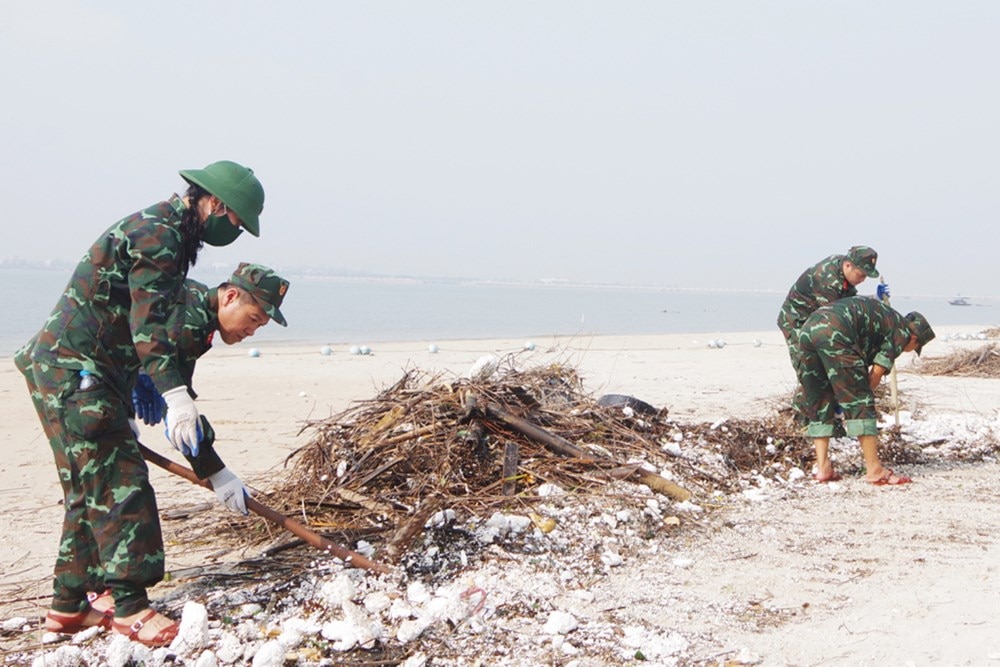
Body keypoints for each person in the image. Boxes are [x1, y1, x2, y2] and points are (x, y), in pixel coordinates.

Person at [13, 161, 266, 647]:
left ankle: (68, 607)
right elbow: (148, 327)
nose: (232, 232)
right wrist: (171, 395)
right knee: (121, 483)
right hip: (76, 371)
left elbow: (138, 329)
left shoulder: (171, 234)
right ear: (213, 203)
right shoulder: (159, 235)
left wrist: (210, 464)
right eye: (235, 222)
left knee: (90, 486)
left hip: (80, 370)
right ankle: (130, 607)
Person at [795, 297, 935, 485]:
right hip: (836, 331)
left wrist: (838, 392)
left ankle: (823, 468)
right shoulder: (902, 331)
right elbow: (873, 377)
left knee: (819, 398)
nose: (908, 350)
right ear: (915, 338)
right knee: (860, 400)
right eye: (914, 348)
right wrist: (853, 396)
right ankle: (874, 470)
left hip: (809, 329)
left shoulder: (887, 317)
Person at [776, 246, 885, 429]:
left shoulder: (843, 272)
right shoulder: (827, 279)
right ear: (849, 265)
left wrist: (873, 298)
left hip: (818, 323)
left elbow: (847, 303)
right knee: (810, 370)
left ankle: (825, 421)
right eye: (861, 274)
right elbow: (836, 317)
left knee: (826, 369)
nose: (863, 279)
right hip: (798, 323)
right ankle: (802, 424)